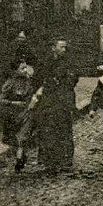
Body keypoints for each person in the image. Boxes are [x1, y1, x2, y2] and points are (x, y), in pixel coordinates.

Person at [30, 37, 77, 173]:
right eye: (61, 47)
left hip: (63, 100)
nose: (64, 49)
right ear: (53, 48)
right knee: (48, 129)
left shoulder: (68, 62)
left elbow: (73, 78)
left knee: (64, 128)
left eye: (65, 47)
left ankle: (65, 159)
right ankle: (48, 159)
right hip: (48, 100)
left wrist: (60, 83)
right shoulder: (46, 61)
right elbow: (38, 78)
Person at [0, 29, 34, 130]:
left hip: (6, 75)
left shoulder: (18, 47)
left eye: (23, 38)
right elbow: (7, 64)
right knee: (0, 97)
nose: (22, 40)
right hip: (3, 76)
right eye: (20, 38)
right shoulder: (12, 47)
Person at [0, 60, 37, 172]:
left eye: (26, 68)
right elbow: (1, 100)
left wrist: (33, 102)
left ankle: (19, 159)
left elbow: (32, 95)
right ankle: (20, 155)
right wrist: (13, 103)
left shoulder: (29, 81)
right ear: (16, 70)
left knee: (23, 137)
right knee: (15, 139)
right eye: (22, 68)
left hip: (26, 113)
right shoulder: (10, 83)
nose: (25, 70)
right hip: (13, 114)